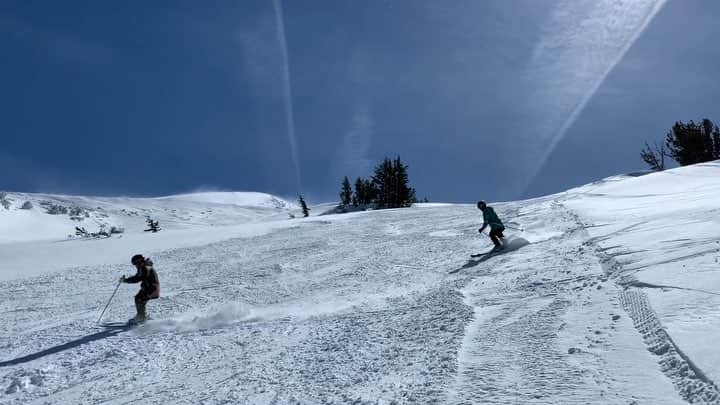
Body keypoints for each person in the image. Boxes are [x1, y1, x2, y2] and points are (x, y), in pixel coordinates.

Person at [121, 254, 160, 323]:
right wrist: (127, 279)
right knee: (138, 298)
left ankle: (141, 317)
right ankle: (142, 316)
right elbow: (138, 276)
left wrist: (126, 280)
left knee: (140, 299)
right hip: (149, 288)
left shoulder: (145, 267)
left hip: (151, 289)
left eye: (135, 264)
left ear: (138, 262)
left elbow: (138, 278)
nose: (135, 266)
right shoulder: (144, 266)